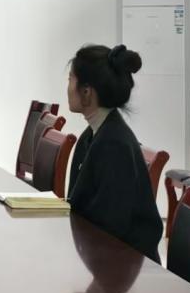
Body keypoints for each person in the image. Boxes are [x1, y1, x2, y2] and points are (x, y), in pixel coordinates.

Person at [66, 44, 163, 264]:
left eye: (70, 79)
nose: (68, 87)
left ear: (87, 92)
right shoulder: (93, 135)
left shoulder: (114, 144)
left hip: (125, 267)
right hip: (103, 258)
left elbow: (110, 226)